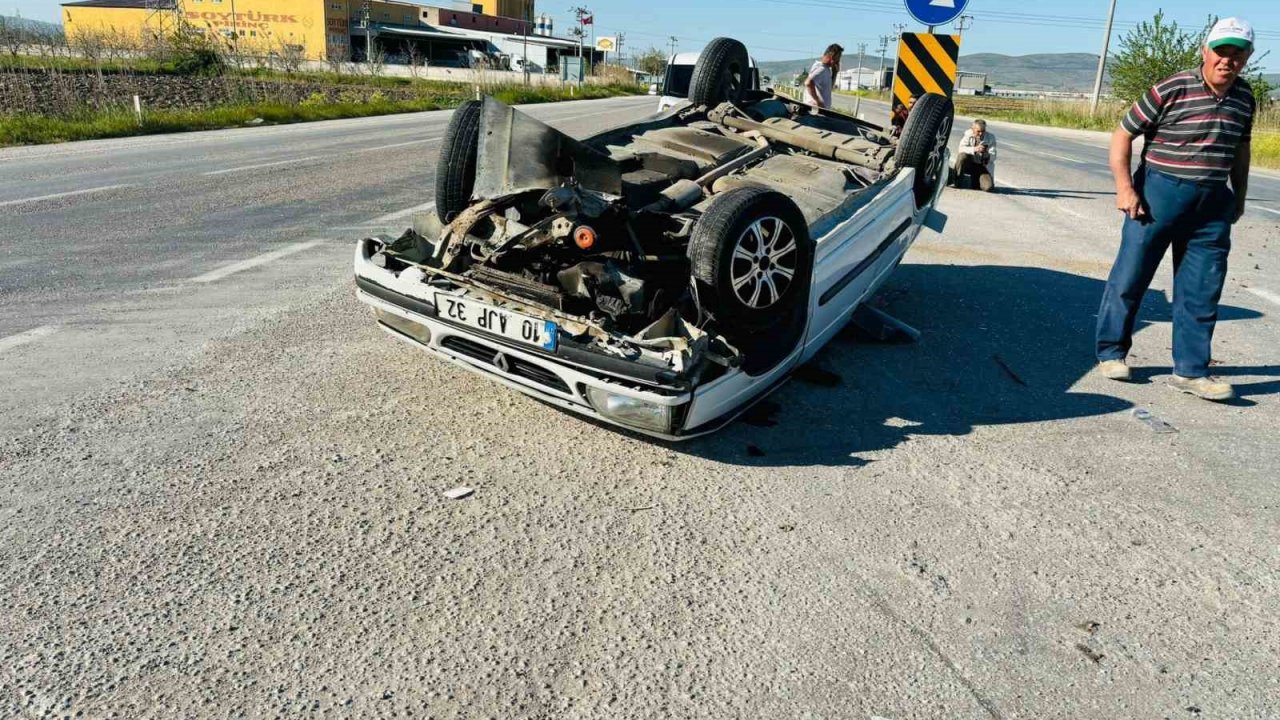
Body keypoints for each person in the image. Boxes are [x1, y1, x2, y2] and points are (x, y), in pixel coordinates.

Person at [1095, 17, 1256, 401]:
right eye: (1221, 51)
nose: (1227, 61)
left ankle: (1191, 371)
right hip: (1157, 196)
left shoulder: (1245, 97)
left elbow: (1241, 148)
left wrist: (1240, 195)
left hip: (1212, 204)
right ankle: (1112, 352)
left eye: (1237, 54)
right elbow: (1123, 133)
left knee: (1202, 289)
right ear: (1206, 51)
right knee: (1131, 278)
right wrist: (1124, 188)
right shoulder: (1173, 87)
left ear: (1247, 58)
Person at [952, 119, 997, 191]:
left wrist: (986, 154)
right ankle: (957, 181)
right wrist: (974, 149)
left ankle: (975, 180)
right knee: (962, 156)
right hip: (969, 164)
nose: (981, 134)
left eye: (983, 131)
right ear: (973, 129)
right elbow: (961, 149)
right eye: (978, 131)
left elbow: (993, 156)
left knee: (987, 187)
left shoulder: (991, 138)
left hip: (982, 167)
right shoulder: (968, 134)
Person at [804, 44, 843, 110]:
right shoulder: (821, 68)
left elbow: (829, 88)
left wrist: (835, 72)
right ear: (832, 57)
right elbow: (808, 83)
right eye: (838, 59)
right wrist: (818, 101)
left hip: (819, 111)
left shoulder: (826, 69)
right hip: (815, 110)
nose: (838, 62)